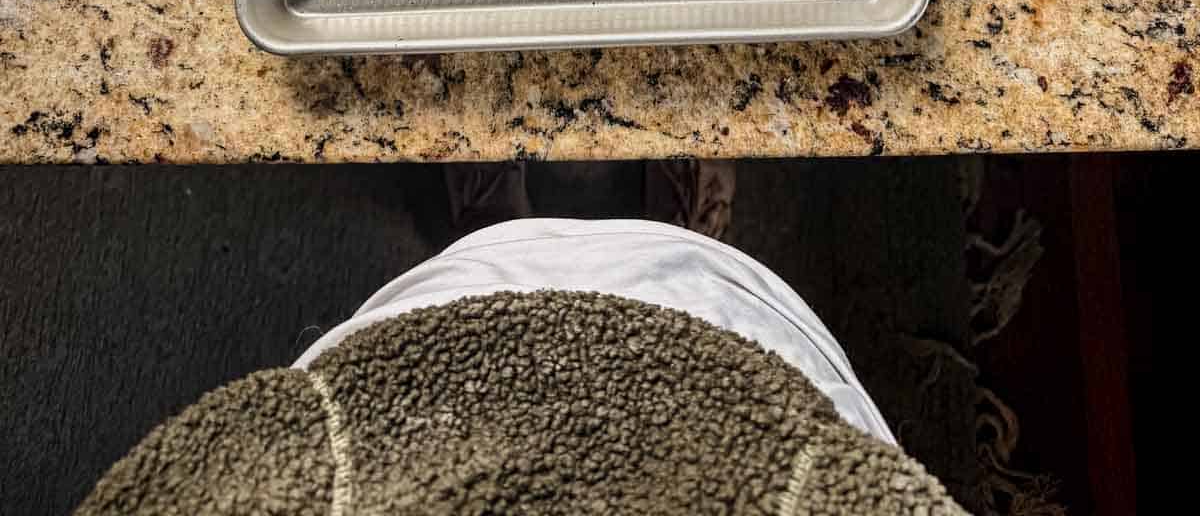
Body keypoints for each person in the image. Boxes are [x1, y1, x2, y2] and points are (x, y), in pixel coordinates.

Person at [76, 162, 967, 515]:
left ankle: (494, 234)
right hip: (726, 385)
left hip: (415, 416)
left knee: (458, 315)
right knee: (684, 295)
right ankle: (667, 239)